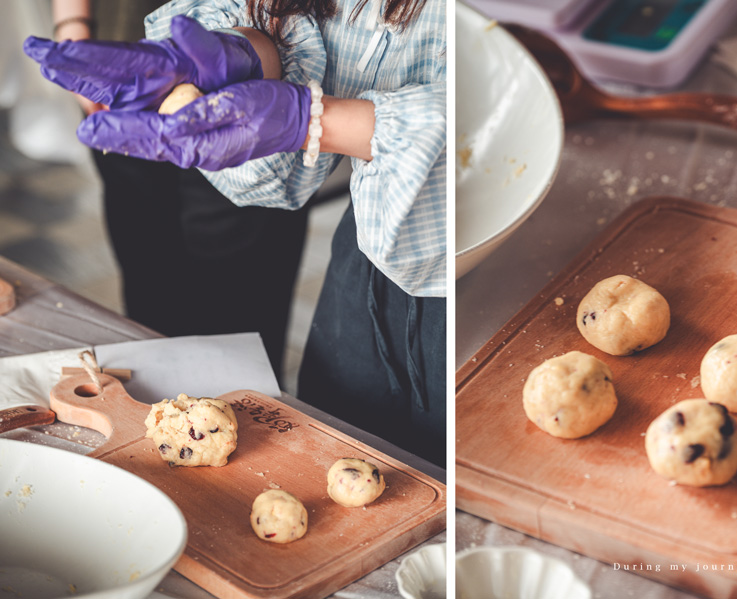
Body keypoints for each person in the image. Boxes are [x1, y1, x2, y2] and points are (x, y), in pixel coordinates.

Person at [25, 0, 447, 465]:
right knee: (331, 446)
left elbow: (493, 118)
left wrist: (311, 121)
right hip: (368, 247)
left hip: (464, 244)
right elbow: (326, 30)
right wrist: (249, 52)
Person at [48, 0, 313, 384]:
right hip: (123, 70)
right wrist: (72, 22)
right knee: (149, 283)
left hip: (252, 79)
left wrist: (251, 53)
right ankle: (158, 422)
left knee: (243, 305)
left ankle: (248, 418)